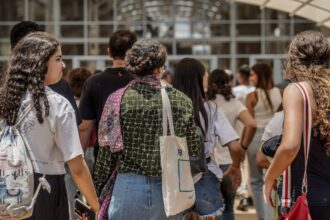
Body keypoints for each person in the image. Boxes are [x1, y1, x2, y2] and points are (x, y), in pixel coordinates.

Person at [98, 39, 201, 220]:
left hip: (127, 188)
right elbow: (194, 146)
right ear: (160, 67)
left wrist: (98, 188)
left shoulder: (117, 100)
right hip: (168, 189)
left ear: (132, 66)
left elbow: (107, 153)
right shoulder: (181, 100)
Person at [0, 32, 99, 220]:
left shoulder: (5, 100)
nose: (63, 65)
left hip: (6, 190)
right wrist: (96, 206)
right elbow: (77, 168)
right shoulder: (57, 104)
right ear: (40, 63)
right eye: (58, 59)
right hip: (45, 189)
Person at [264, 30, 330, 220]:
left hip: (309, 197)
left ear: (293, 57)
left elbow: (290, 146)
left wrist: (269, 178)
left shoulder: (297, 91)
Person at [172, 58, 243, 219]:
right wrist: (236, 167)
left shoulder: (168, 108)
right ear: (198, 78)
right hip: (206, 174)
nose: (207, 78)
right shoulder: (211, 108)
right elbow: (235, 147)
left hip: (174, 176)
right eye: (205, 74)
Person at [78, 30, 137, 195]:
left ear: (109, 52)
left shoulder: (93, 82)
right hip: (137, 164)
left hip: (104, 160)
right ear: (133, 53)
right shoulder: (140, 82)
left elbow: (85, 127)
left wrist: (79, 161)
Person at [10, 21, 82, 126]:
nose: (63, 65)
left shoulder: (5, 86)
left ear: (12, 51)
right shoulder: (58, 85)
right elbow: (73, 126)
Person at [207, 69, 256, 220]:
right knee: (228, 208)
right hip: (230, 161)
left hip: (209, 162)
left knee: (209, 210)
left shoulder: (206, 103)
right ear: (228, 83)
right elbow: (252, 124)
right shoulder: (234, 103)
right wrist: (242, 147)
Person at [245, 63, 282, 220]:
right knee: (274, 177)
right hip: (275, 138)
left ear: (260, 75)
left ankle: (262, 217)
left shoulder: (252, 96)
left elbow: (250, 123)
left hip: (256, 138)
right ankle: (273, 214)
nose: (250, 78)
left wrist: (243, 144)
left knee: (256, 181)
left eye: (252, 74)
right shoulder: (281, 93)